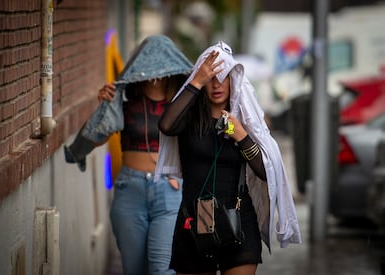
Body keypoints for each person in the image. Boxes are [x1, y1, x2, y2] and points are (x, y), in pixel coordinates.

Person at [156, 41, 302, 274]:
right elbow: (165, 125)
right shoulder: (189, 118)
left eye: (224, 77)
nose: (217, 84)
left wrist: (240, 135)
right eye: (211, 78)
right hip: (194, 221)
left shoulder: (246, 121)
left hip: (238, 221)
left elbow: (265, 172)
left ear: (234, 81)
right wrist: (196, 81)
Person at [68, 35, 193, 275]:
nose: (155, 71)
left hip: (169, 190)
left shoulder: (182, 103)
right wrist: (104, 107)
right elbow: (98, 137)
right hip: (130, 188)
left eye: (161, 64)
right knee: (134, 270)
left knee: (162, 270)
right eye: (149, 62)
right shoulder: (125, 101)